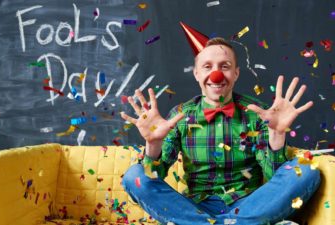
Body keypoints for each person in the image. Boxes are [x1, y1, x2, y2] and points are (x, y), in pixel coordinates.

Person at [120, 22, 320, 225]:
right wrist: (153, 145)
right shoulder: (180, 115)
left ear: (236, 73)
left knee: (306, 171)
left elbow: (275, 176)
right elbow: (154, 176)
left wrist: (277, 134)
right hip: (195, 209)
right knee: (133, 176)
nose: (216, 74)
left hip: (250, 205)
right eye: (207, 66)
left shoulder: (258, 113)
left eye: (224, 66)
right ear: (197, 73)